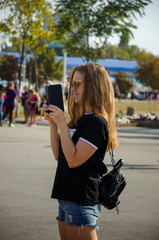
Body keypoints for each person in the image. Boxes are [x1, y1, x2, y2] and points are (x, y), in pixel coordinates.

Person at [43, 63, 118, 240]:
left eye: (78, 84)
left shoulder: (97, 122)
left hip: (80, 200)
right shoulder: (78, 120)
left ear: (93, 87)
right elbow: (58, 155)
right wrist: (54, 124)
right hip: (66, 197)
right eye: (72, 84)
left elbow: (73, 160)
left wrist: (62, 123)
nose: (73, 89)